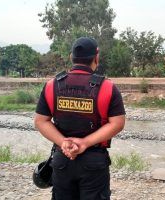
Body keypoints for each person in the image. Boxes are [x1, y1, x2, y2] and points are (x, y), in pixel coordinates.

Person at [34, 37, 126, 200]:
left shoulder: (52, 85)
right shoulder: (108, 87)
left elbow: (41, 121)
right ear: (96, 57)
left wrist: (63, 142)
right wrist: (85, 143)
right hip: (94, 161)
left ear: (71, 57)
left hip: (62, 158)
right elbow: (117, 123)